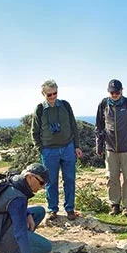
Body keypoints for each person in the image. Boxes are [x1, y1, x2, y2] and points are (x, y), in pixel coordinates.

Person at [31, 79, 83, 221]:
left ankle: (70, 209)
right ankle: (53, 209)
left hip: (68, 147)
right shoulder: (40, 109)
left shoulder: (65, 105)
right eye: (49, 95)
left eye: (55, 93)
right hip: (49, 151)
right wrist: (41, 149)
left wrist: (76, 146)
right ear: (43, 94)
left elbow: (73, 126)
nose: (53, 97)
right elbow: (34, 132)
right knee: (51, 181)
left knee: (70, 179)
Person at [95, 79, 127, 216]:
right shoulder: (103, 104)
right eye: (112, 92)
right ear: (108, 91)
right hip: (110, 148)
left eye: (117, 92)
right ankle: (114, 204)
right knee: (111, 177)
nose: (115, 95)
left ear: (122, 91)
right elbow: (99, 126)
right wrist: (99, 145)